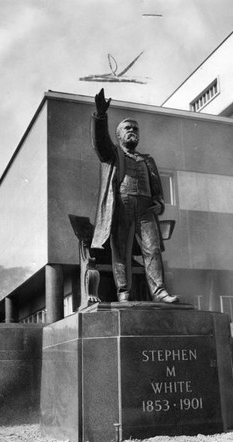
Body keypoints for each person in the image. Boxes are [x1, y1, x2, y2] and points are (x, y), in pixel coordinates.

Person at [90, 88, 178, 303]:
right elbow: (100, 142)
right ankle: (123, 291)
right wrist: (100, 116)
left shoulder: (147, 159)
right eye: (127, 128)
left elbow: (157, 189)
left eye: (135, 129)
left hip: (146, 210)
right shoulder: (113, 154)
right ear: (119, 135)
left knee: (153, 249)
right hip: (122, 205)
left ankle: (159, 292)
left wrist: (158, 203)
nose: (132, 131)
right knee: (121, 250)